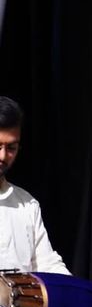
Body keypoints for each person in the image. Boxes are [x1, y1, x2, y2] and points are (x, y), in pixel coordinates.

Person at [0, 96, 70, 274]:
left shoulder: (27, 204)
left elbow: (47, 265)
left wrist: (74, 287)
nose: (3, 156)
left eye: (11, 148)